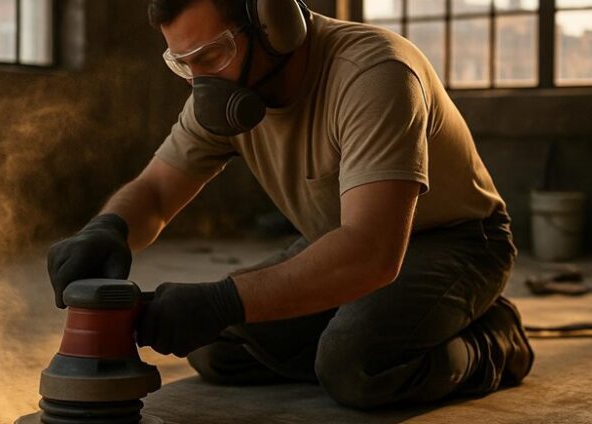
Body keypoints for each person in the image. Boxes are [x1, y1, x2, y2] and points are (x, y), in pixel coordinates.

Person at [46, 0, 534, 409]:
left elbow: (372, 252)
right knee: (216, 348)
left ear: (274, 24)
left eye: (212, 54)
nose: (199, 82)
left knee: (354, 368)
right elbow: (155, 191)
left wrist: (221, 300)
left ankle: (492, 338)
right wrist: (107, 228)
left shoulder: (375, 73)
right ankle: (385, 327)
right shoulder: (223, 96)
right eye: (184, 63)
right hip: (341, 240)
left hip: (458, 241)